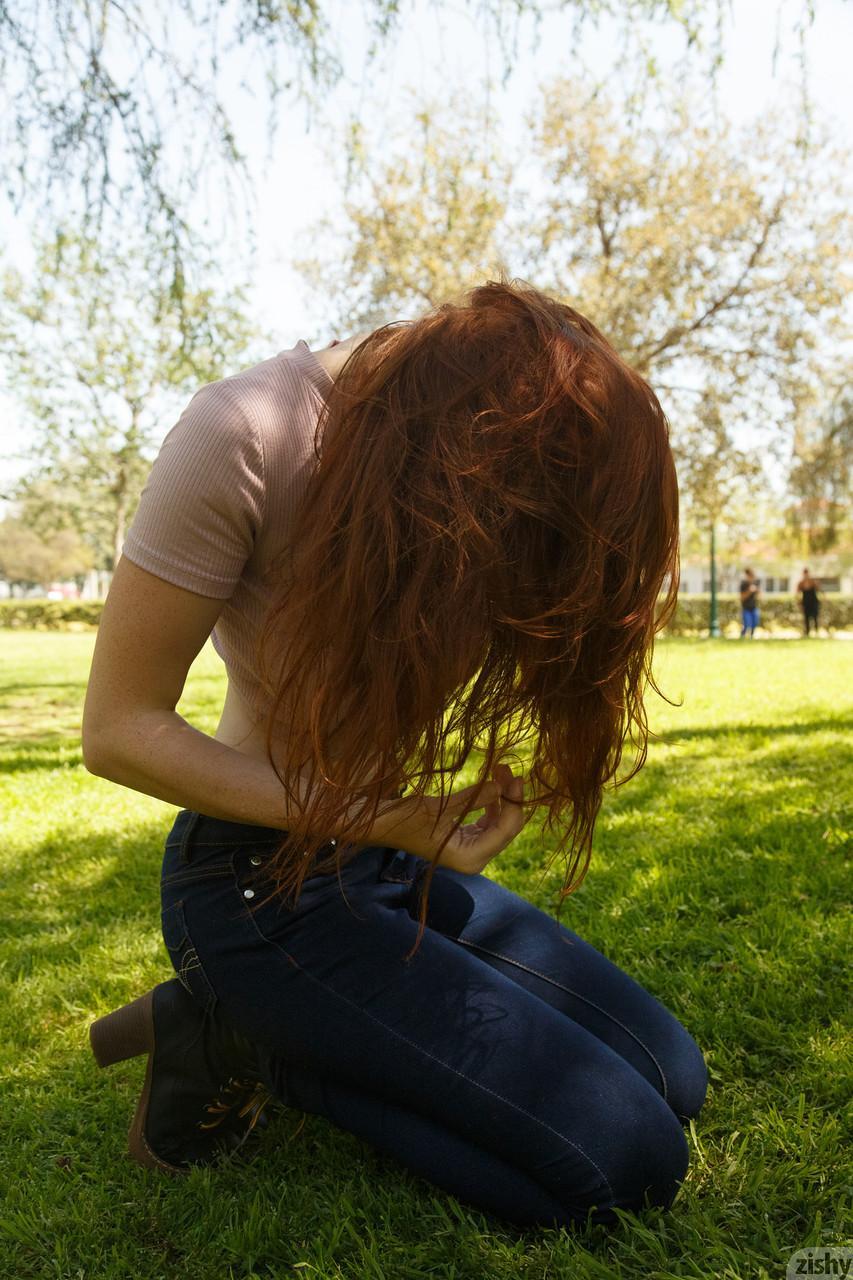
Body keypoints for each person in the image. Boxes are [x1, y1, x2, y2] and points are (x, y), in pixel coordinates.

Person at [82, 278, 708, 1232]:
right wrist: (387, 817)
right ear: (462, 444)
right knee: (627, 1164)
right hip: (256, 892)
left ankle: (292, 1023)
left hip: (383, 864)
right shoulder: (244, 432)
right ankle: (247, 1036)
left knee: (674, 1076)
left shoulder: (485, 449)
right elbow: (118, 728)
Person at [797, 568, 820, 636]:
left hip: (813, 601)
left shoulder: (812, 582)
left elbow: (818, 589)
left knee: (815, 617)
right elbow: (797, 593)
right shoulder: (801, 583)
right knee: (806, 618)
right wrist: (799, 602)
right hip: (806, 602)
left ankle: (816, 631)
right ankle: (807, 632)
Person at [739, 568, 760, 638]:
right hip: (746, 608)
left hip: (754, 607)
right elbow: (742, 598)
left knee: (755, 623)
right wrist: (749, 591)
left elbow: (760, 595)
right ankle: (742, 636)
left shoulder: (755, 584)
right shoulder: (743, 584)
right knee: (747, 624)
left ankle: (752, 637)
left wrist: (756, 590)